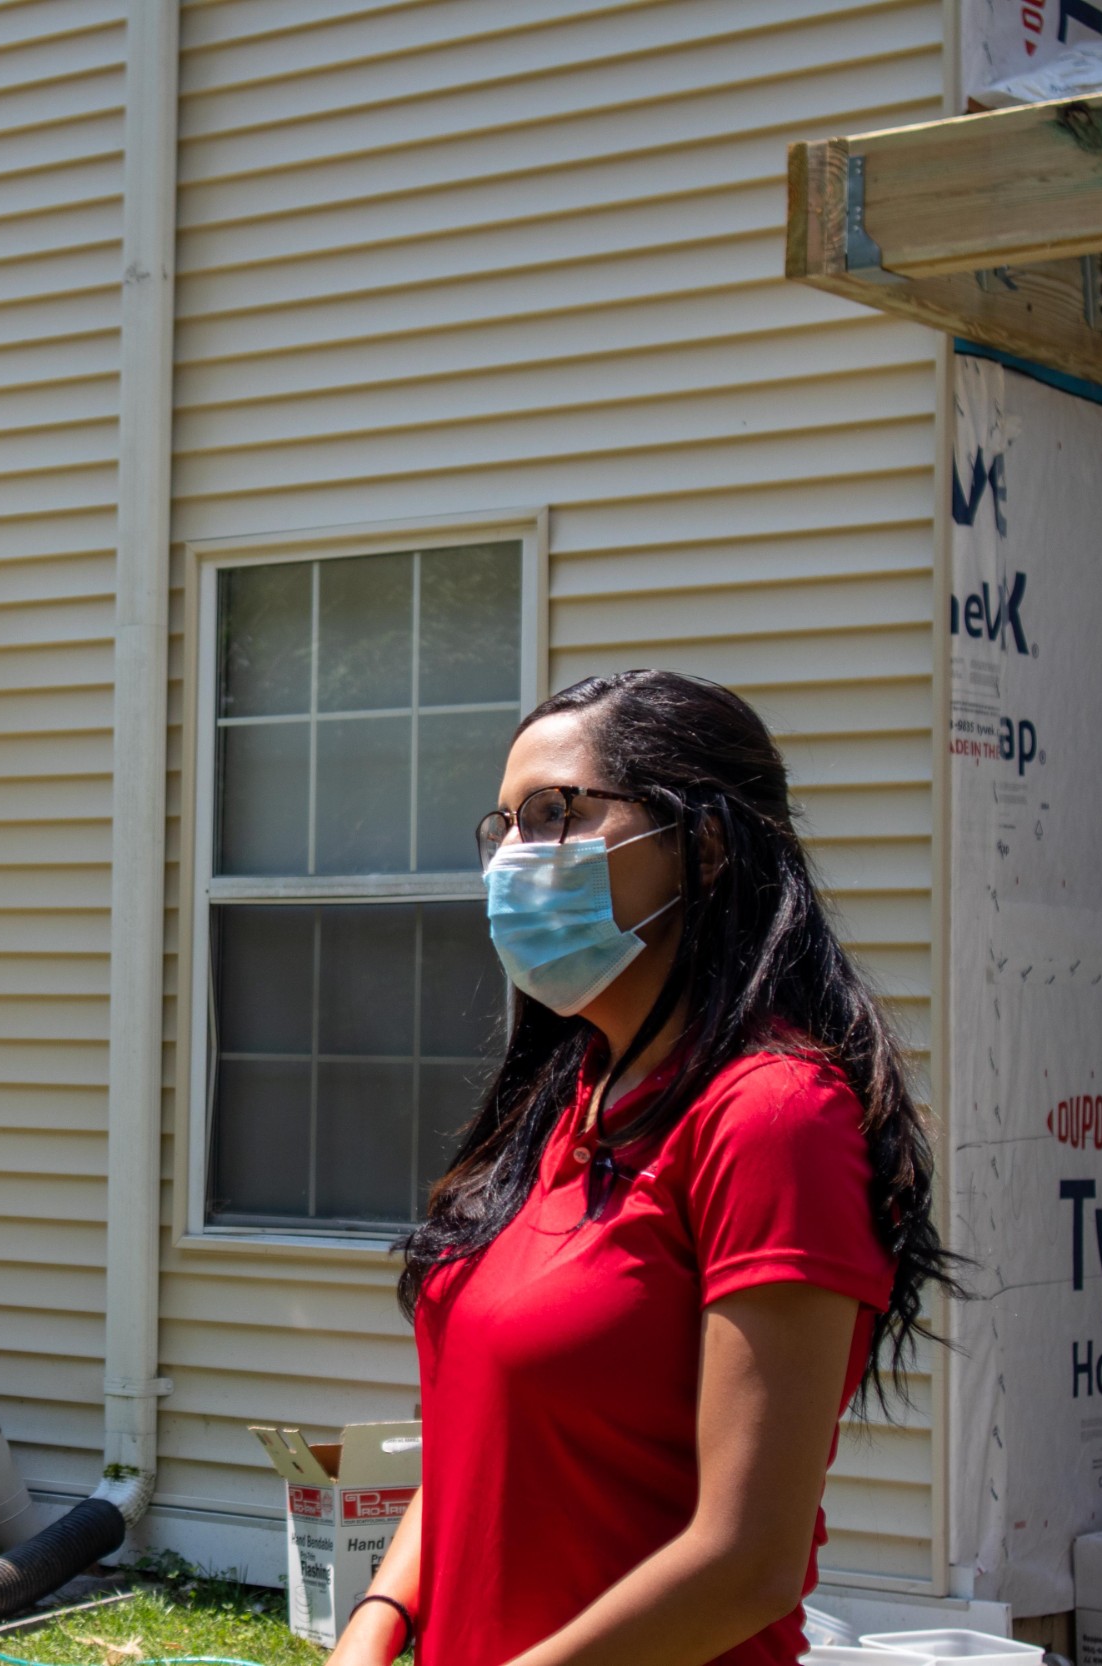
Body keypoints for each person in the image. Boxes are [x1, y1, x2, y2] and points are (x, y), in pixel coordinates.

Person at [332, 671, 957, 1666]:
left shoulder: (773, 1117)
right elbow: (473, 1452)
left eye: (553, 814)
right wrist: (378, 1624)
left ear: (701, 845)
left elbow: (745, 1559)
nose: (512, 862)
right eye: (501, 828)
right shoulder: (559, 1100)